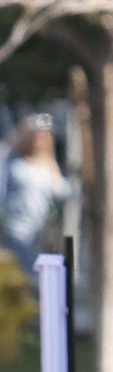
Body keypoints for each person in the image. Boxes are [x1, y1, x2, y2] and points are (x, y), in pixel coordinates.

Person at [0, 113, 70, 278]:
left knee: (39, 277)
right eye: (36, 134)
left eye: (44, 135)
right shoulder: (13, 161)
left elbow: (61, 192)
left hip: (41, 232)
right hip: (16, 229)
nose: (40, 139)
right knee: (28, 276)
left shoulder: (48, 164)